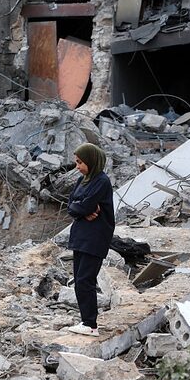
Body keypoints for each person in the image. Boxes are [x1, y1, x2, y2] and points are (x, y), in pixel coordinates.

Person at [64, 143, 115, 337]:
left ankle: (90, 324)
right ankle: (85, 320)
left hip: (95, 237)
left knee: (86, 280)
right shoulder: (83, 180)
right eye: (76, 162)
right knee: (79, 279)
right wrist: (81, 210)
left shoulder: (102, 181)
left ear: (92, 161)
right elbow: (71, 205)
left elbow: (83, 206)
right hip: (81, 236)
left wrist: (82, 209)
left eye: (80, 162)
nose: (78, 166)